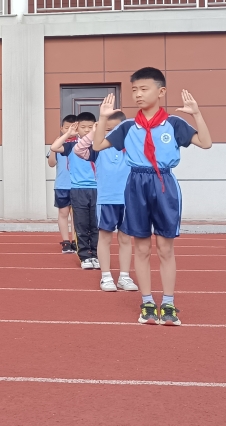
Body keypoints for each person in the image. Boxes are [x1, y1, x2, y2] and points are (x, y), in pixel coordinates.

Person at [93, 68, 212, 325]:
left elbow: (206, 142)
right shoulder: (127, 126)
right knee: (142, 247)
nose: (138, 94)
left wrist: (197, 114)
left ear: (161, 91)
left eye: (143, 89)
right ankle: (147, 302)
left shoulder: (174, 124)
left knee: (165, 248)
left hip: (164, 183)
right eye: (134, 90)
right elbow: (97, 145)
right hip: (136, 183)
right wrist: (102, 118)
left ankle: (168, 303)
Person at [74, 113, 138, 292]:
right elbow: (78, 150)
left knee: (125, 238)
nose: (112, 133)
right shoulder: (98, 148)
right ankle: (106, 276)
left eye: (116, 129)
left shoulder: (132, 148)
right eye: (107, 129)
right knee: (105, 238)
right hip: (106, 200)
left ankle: (124, 276)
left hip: (127, 200)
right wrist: (94, 131)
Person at [50, 112, 99, 269]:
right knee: (81, 224)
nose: (87, 130)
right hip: (78, 189)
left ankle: (96, 254)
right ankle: (85, 256)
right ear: (77, 128)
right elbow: (54, 147)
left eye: (90, 127)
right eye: (83, 127)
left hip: (98, 189)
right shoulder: (71, 146)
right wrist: (68, 134)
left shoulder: (98, 145)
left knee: (96, 225)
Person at [47, 115, 77, 254]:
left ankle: (76, 241)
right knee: (63, 213)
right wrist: (54, 149)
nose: (70, 130)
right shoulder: (58, 144)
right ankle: (66, 241)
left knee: (77, 215)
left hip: (78, 185)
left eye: (73, 127)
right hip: (62, 185)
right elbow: (51, 163)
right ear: (61, 128)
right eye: (67, 128)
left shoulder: (82, 143)